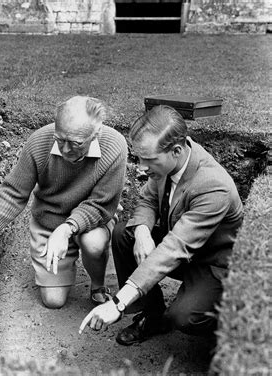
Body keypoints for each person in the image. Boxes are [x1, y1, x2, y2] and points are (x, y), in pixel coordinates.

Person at [79, 105, 244, 345]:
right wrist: (143, 231)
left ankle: (231, 327)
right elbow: (148, 199)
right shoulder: (172, 161)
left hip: (213, 264)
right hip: (183, 249)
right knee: (124, 234)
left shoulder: (213, 186)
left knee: (185, 316)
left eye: (148, 159)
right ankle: (153, 315)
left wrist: (118, 302)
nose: (142, 167)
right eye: (138, 157)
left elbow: (174, 248)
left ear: (176, 150)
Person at [0, 96, 128, 309]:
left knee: (93, 243)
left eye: (75, 143)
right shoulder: (39, 142)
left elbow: (101, 204)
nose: (66, 149)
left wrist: (67, 228)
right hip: (50, 221)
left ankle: (97, 285)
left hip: (93, 219)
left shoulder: (115, 145)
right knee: (53, 301)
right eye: (60, 139)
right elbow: (14, 192)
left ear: (96, 133)